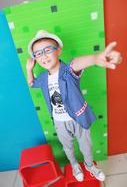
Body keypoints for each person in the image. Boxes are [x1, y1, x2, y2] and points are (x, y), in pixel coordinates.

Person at [26, 30, 122, 182]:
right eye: (37, 53)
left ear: (59, 50)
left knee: (86, 146)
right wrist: (29, 69)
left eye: (47, 50)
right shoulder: (43, 78)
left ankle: (90, 166)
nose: (43, 55)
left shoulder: (68, 71)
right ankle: (74, 165)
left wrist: (96, 58)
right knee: (68, 147)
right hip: (59, 121)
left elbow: (76, 63)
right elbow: (31, 83)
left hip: (78, 117)